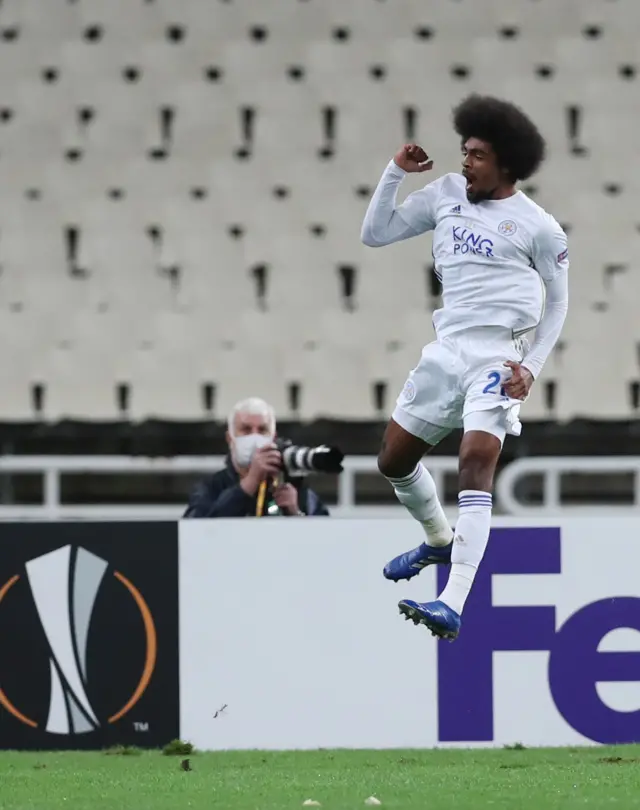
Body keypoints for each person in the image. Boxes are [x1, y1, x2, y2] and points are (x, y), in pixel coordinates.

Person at [360, 94, 568, 640]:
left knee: (476, 461)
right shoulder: (446, 195)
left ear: (506, 163)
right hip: (445, 353)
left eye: (476, 154)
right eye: (464, 151)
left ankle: (451, 601)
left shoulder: (539, 228)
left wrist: (532, 369)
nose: (465, 162)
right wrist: (394, 174)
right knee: (392, 461)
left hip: (498, 358)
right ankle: (436, 539)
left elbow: (559, 302)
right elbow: (375, 233)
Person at [183, 397, 330, 518]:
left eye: (262, 430)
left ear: (274, 437)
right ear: (230, 439)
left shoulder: (295, 488)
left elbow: (325, 542)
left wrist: (296, 513)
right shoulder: (211, 488)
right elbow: (194, 534)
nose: (255, 437)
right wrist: (249, 483)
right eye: (246, 430)